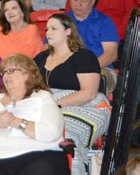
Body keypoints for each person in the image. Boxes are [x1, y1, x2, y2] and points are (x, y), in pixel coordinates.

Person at [0, 54, 68, 175]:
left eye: (11, 71)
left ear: (28, 73)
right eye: (3, 72)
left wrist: (16, 122)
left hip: (39, 156)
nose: (6, 75)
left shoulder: (42, 97)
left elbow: (51, 132)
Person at [34, 13, 110, 175]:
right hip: (46, 106)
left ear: (68, 31)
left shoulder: (84, 56)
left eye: (54, 28)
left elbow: (89, 93)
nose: (48, 32)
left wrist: (55, 104)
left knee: (65, 135)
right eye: (47, 29)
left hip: (85, 106)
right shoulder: (41, 57)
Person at [67, 0, 119, 93]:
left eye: (84, 1)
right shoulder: (62, 21)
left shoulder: (105, 21)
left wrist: (86, 69)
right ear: (70, 0)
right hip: (67, 69)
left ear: (93, 1)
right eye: (75, 0)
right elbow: (48, 48)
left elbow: (111, 54)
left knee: (92, 82)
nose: (79, 4)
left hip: (101, 69)